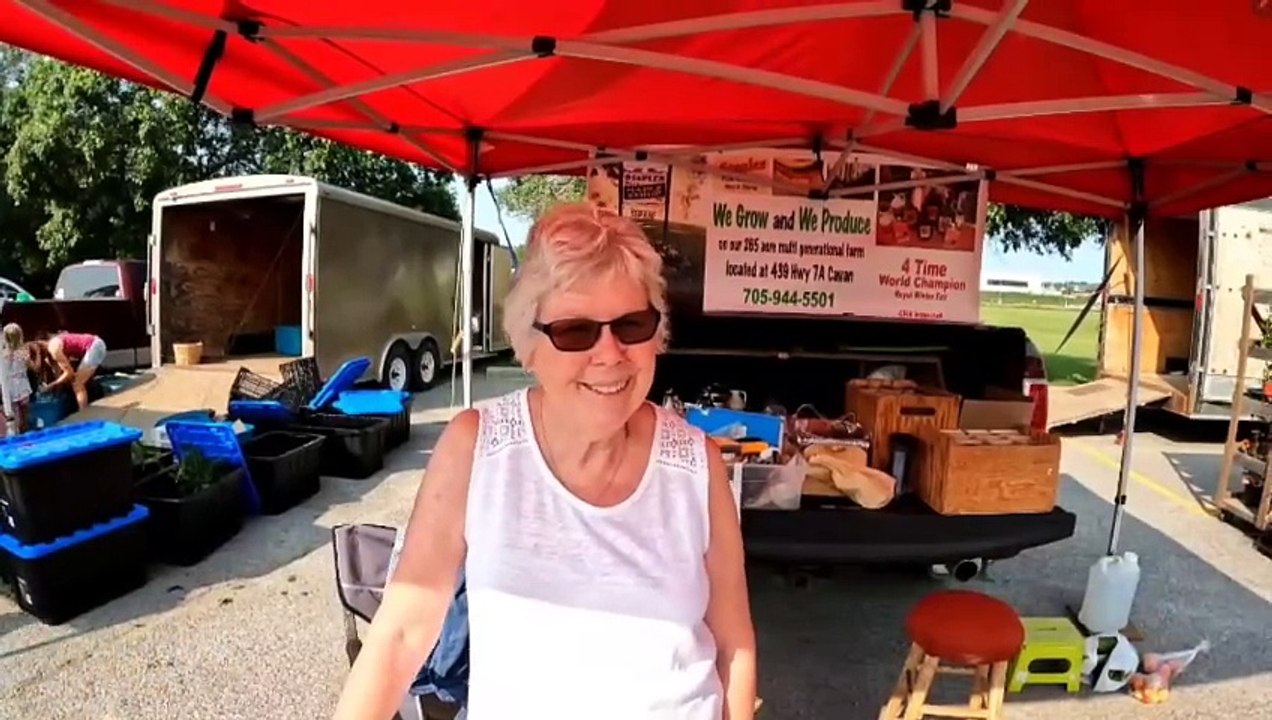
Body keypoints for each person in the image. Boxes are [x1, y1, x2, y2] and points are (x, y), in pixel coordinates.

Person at [332, 203, 757, 720]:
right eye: (576, 331)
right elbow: (401, 633)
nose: (609, 353)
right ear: (530, 344)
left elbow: (734, 644)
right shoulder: (478, 447)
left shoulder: (698, 465)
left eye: (631, 325)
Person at [31, 331, 107, 410]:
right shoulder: (55, 342)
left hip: (94, 346)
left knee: (77, 384)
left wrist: (51, 385)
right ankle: (86, 408)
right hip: (95, 344)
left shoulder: (53, 348)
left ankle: (83, 413)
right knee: (79, 381)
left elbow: (68, 373)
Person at [0, 323, 33, 436]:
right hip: (23, 388)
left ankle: (17, 437)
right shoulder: (23, 353)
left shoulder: (3, 355)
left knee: (15, 418)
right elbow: (34, 367)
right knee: (25, 417)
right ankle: (25, 435)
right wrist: (37, 354)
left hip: (10, 390)